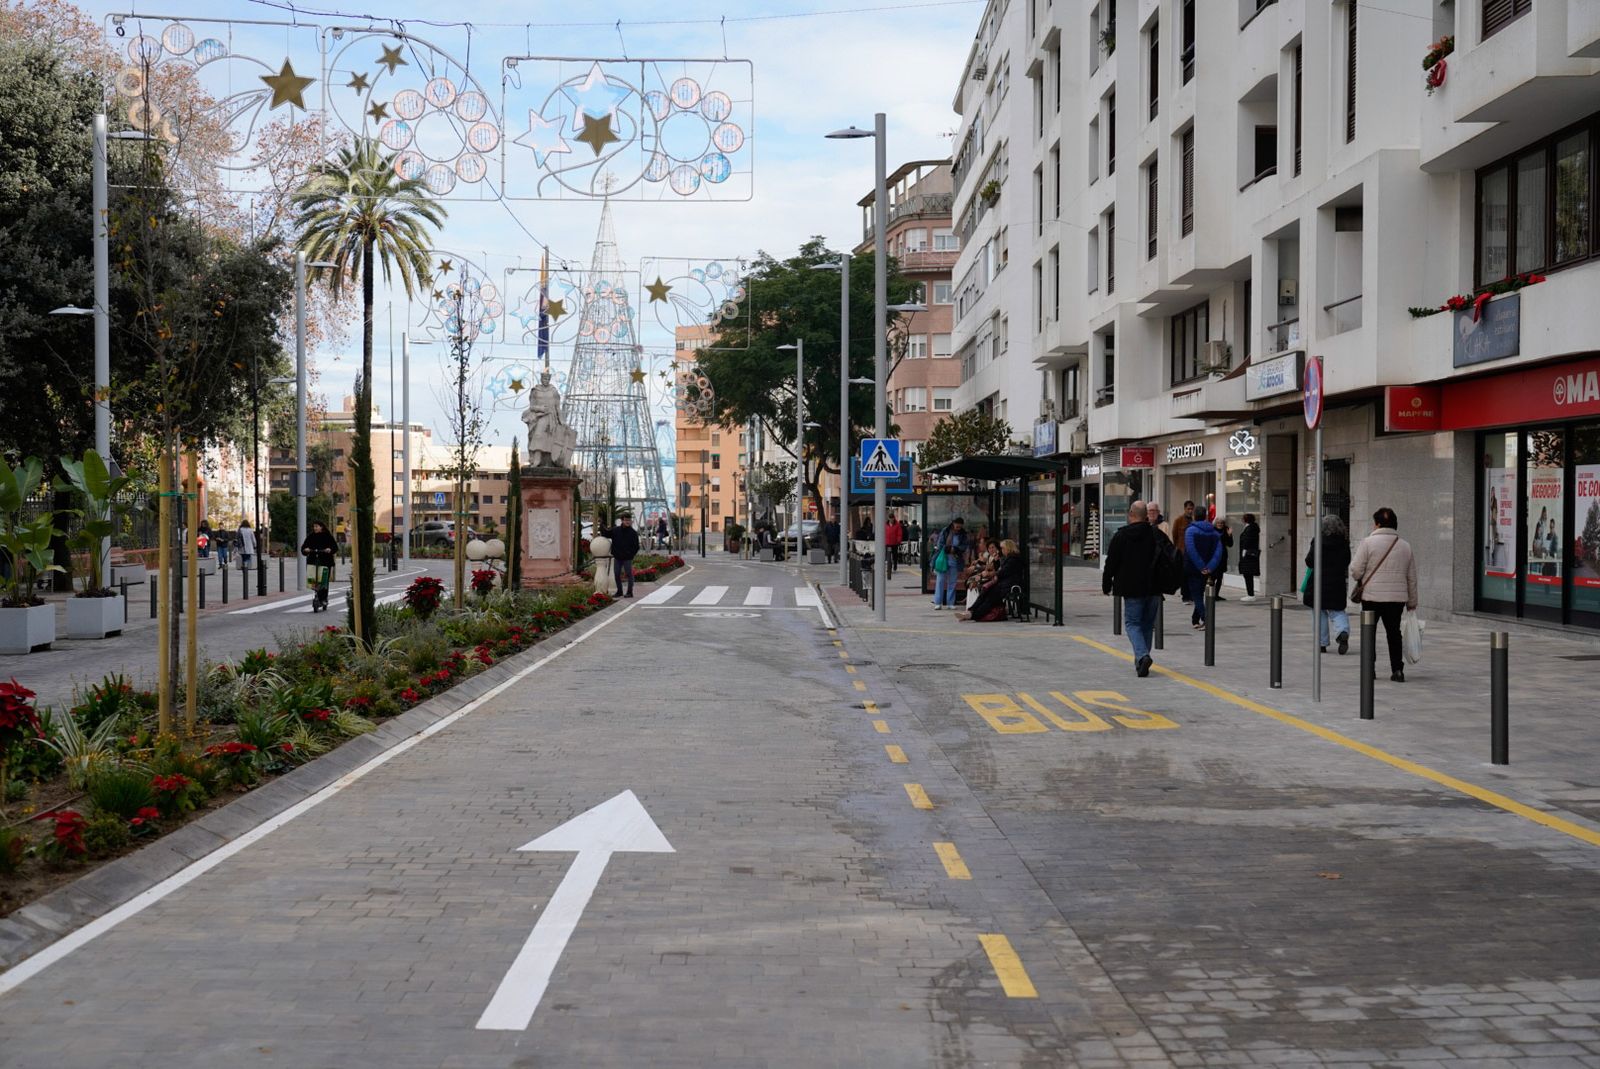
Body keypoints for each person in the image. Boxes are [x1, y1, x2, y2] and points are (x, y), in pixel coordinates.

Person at [1349, 506, 1418, 683]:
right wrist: (1412, 601)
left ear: (1377, 524)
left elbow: (1356, 571)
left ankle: (1369, 669)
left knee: (1369, 633)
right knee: (1394, 633)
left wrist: (1361, 576)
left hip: (1371, 598)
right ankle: (1397, 670)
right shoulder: (1405, 546)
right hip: (1396, 600)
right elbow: (1412, 577)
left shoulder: (1367, 543)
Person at [1102, 501, 1164, 677]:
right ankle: (1141, 660)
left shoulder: (1121, 536)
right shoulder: (1155, 534)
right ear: (1146, 515)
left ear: (1130, 514)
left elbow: (1111, 563)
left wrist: (1106, 584)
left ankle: (1143, 656)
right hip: (1153, 586)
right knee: (1146, 624)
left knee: (1132, 623)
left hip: (1131, 588)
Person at [1304, 515, 1352, 655]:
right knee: (1337, 610)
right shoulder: (1343, 543)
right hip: (1337, 582)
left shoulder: (1318, 541)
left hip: (1318, 581)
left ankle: (1322, 643)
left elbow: (1309, 561)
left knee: (1319, 611)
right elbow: (1346, 562)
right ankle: (1342, 631)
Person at [958, 539, 1025, 622]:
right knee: (985, 592)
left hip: (1009, 585)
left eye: (1002, 548)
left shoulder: (1013, 559)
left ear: (1008, 548)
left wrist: (995, 574)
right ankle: (970, 611)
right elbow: (1002, 571)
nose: (1001, 550)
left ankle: (973, 615)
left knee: (990, 597)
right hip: (1004, 584)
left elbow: (1003, 571)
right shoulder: (1010, 558)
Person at [1183, 510, 1223, 629]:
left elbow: (1191, 550)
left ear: (1195, 516)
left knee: (1196, 595)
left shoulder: (1190, 531)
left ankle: (1206, 619)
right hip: (1207, 569)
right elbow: (1218, 551)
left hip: (1193, 568)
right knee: (1199, 593)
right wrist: (1209, 567)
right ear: (1205, 516)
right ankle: (1195, 619)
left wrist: (1201, 566)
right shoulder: (1214, 532)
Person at [930, 516, 969, 610]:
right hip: (944, 558)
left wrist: (955, 549)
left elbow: (964, 546)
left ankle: (950, 603)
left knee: (952, 582)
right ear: (953, 523)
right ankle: (938, 602)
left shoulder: (963, 534)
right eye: (957, 526)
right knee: (940, 581)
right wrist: (947, 548)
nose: (958, 528)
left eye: (960, 527)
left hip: (955, 559)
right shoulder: (946, 531)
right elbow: (940, 543)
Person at [300, 521, 338, 612]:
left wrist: (330, 549)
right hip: (313, 561)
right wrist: (306, 550)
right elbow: (303, 548)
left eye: (317, 526)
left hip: (325, 562)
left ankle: (324, 599)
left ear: (321, 527)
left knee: (323, 581)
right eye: (314, 526)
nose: (315, 528)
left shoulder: (327, 536)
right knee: (313, 580)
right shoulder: (311, 536)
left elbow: (335, 547)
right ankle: (317, 596)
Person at [603, 512, 640, 597]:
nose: (628, 522)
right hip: (617, 557)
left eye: (629, 520)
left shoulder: (633, 533)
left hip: (627, 558)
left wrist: (630, 554)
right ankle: (619, 591)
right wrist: (602, 524)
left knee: (629, 574)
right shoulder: (616, 530)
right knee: (616, 574)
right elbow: (606, 534)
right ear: (622, 520)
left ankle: (629, 592)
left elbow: (636, 546)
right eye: (626, 520)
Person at [1171, 502, 1196, 600]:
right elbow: (1175, 536)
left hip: (1193, 551)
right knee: (1184, 574)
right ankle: (1185, 595)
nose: (1190, 511)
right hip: (1182, 551)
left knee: (1192, 574)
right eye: (1188, 509)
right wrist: (1178, 548)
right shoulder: (1179, 520)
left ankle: (1191, 594)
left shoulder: (1195, 520)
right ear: (1184, 509)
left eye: (1192, 509)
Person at [1238, 514, 1261, 602]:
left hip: (1248, 555)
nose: (1242, 520)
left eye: (1243, 518)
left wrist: (1244, 550)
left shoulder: (1250, 528)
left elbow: (1247, 540)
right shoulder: (1251, 527)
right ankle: (1250, 594)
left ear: (1245, 520)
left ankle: (1250, 594)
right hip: (1248, 554)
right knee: (1248, 574)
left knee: (1248, 574)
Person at [1210, 517, 1233, 600]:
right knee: (1213, 576)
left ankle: (1216, 595)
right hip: (1213, 556)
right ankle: (1210, 594)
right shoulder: (1211, 531)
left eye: (1222, 523)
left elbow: (1230, 544)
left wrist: (1230, 535)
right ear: (1215, 524)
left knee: (1220, 576)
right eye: (1218, 523)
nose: (1220, 524)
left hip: (1222, 556)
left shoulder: (1226, 531)